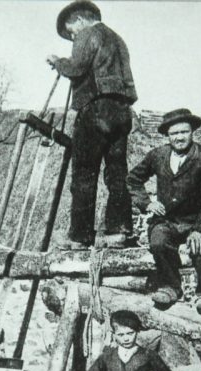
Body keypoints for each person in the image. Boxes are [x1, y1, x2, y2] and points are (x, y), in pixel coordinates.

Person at [47, 0, 137, 249]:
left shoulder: (88, 34)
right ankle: (118, 231)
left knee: (84, 173)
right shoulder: (118, 39)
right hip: (122, 111)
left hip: (96, 109)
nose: (73, 36)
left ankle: (80, 235)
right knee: (117, 173)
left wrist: (58, 62)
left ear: (79, 20)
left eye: (71, 31)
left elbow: (77, 68)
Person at [127, 108, 201, 315]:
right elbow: (133, 179)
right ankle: (171, 287)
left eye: (184, 132)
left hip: (195, 221)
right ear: (167, 136)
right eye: (174, 134)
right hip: (167, 219)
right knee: (158, 242)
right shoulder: (158, 155)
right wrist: (146, 203)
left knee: (200, 249)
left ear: (192, 132)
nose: (179, 138)